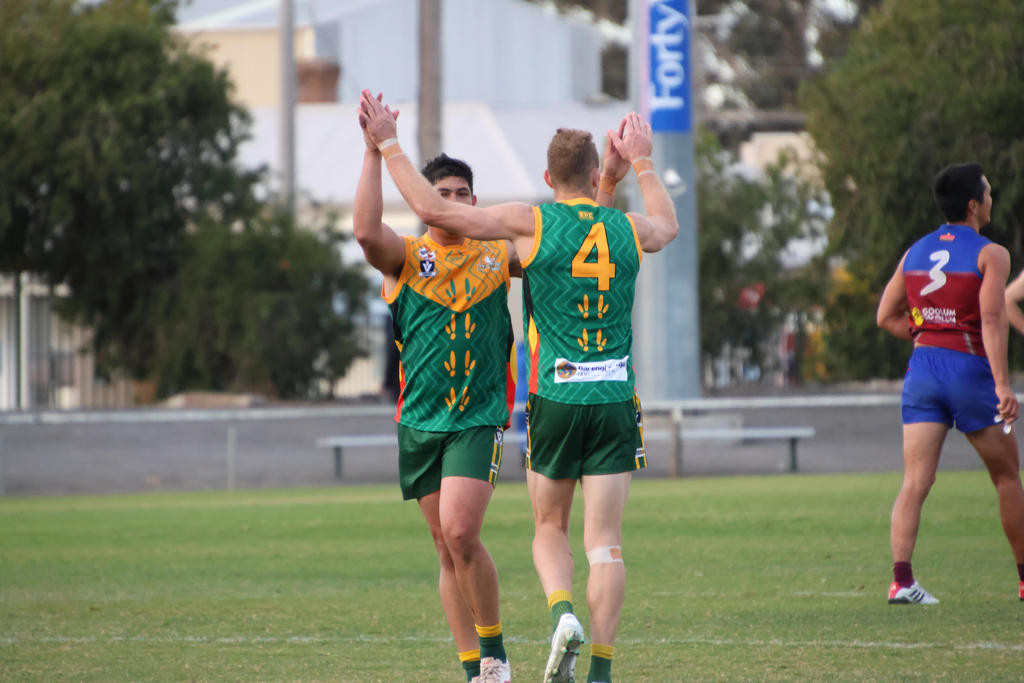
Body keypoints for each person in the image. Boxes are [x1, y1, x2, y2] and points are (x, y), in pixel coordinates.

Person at [360, 89, 679, 683]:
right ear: (594, 171)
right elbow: (666, 225)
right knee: (604, 542)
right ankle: (602, 672)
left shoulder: (531, 223)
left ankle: (560, 613)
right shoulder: (626, 227)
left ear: (546, 176)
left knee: (548, 528)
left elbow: (438, 214)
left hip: (556, 396)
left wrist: (387, 144)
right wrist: (640, 163)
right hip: (615, 395)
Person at [354, 98, 519, 683]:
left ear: (475, 203)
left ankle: (496, 653)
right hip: (419, 422)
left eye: (462, 194)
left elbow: (566, 248)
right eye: (441, 194)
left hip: (477, 419)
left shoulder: (498, 253)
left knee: (461, 531)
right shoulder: (407, 256)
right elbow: (364, 231)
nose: (452, 202)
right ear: (424, 204)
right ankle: (474, 668)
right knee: (446, 550)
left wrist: (599, 189)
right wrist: (374, 152)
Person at [876, 162, 1024, 604]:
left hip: (921, 371)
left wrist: (927, 336)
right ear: (974, 205)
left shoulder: (915, 252)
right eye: (989, 193)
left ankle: (901, 581)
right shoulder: (990, 253)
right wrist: (1002, 384)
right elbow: (994, 317)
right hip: (969, 369)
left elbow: (885, 316)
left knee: (916, 481)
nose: (992, 200)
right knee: (1006, 478)